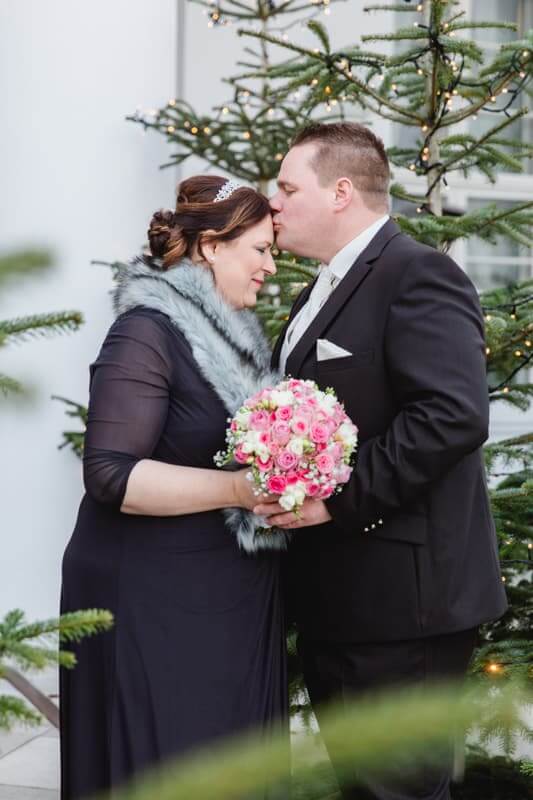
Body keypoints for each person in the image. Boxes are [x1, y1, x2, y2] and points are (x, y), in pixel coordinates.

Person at [254, 122, 508, 800]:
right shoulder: (316, 293)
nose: (272, 203)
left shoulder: (417, 272)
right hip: (341, 599)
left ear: (341, 191)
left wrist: (335, 499)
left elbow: (452, 414)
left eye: (286, 188)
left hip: (405, 606)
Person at [60, 176, 289, 799]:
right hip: (152, 600)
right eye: (261, 250)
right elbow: (111, 473)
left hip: (224, 599)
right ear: (211, 247)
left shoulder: (237, 342)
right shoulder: (146, 332)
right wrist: (242, 492)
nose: (271, 266)